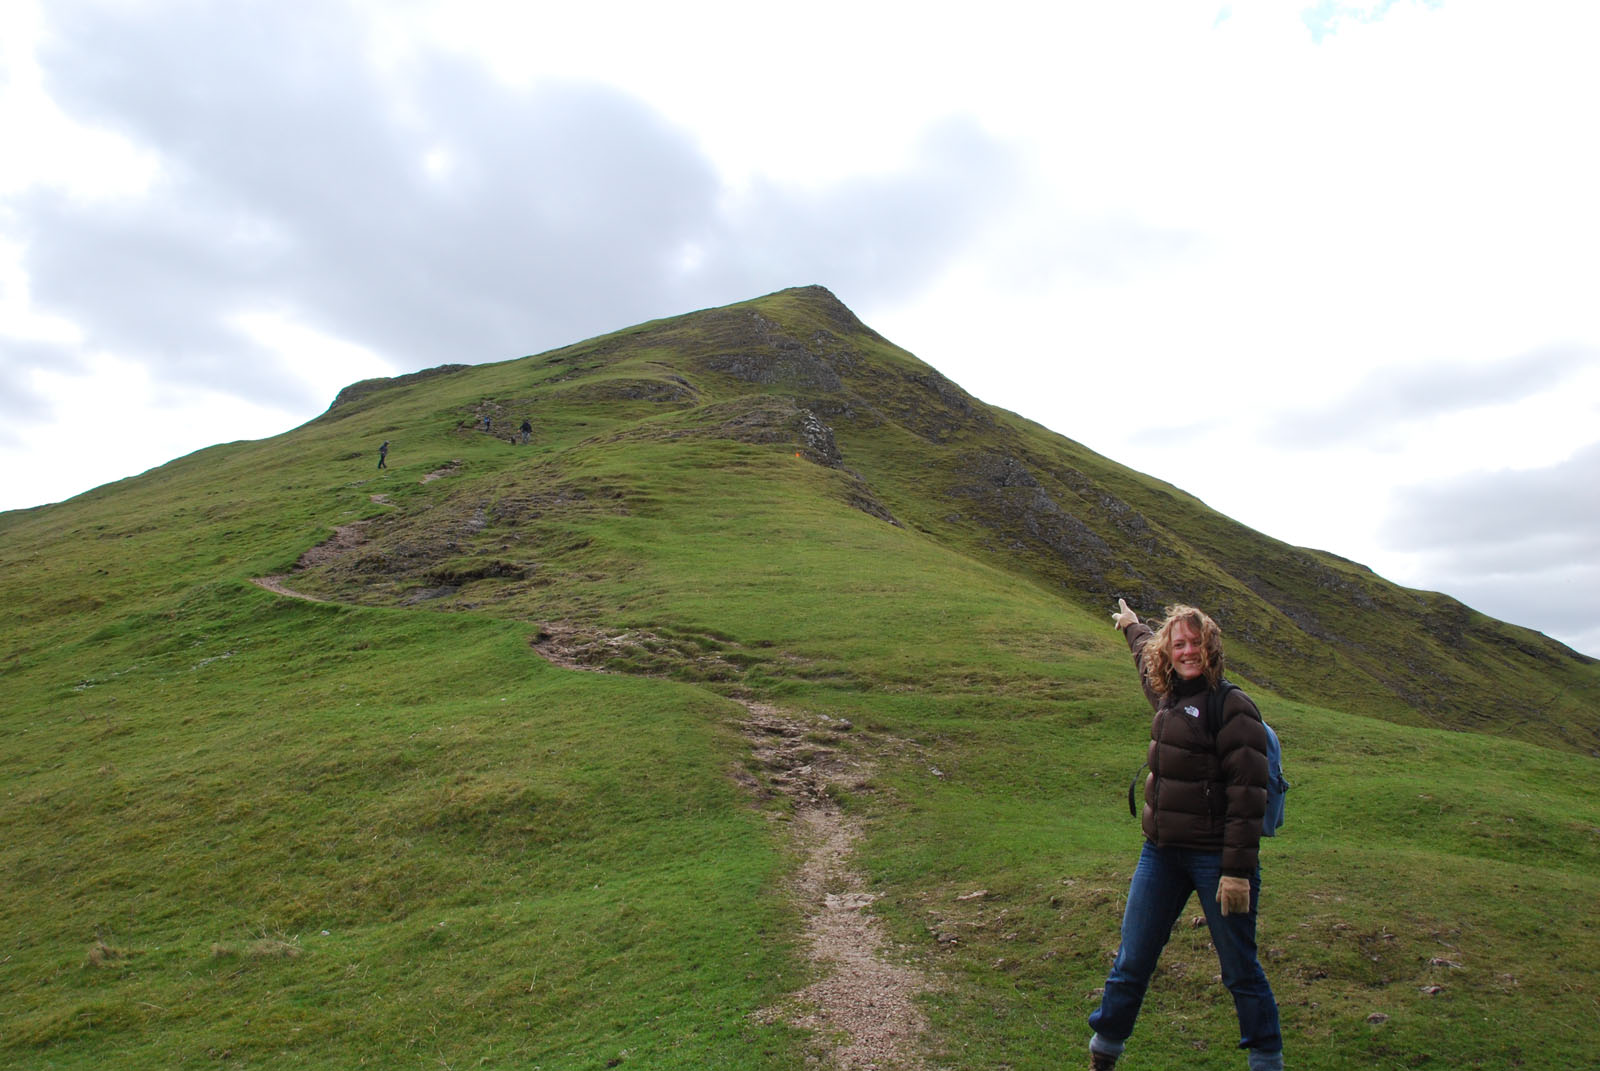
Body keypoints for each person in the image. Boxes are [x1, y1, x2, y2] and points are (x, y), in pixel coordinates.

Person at [1087, 599, 1283, 1071]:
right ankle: (1103, 1054)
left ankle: (1266, 1060)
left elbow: (1248, 794)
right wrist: (1132, 626)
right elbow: (1142, 659)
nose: (1188, 651)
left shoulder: (1232, 707)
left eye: (1196, 643)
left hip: (1216, 860)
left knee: (1239, 969)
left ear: (1211, 648)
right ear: (1168, 653)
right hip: (1160, 854)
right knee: (1132, 960)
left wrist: (1236, 873)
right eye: (1179, 645)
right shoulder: (1168, 694)